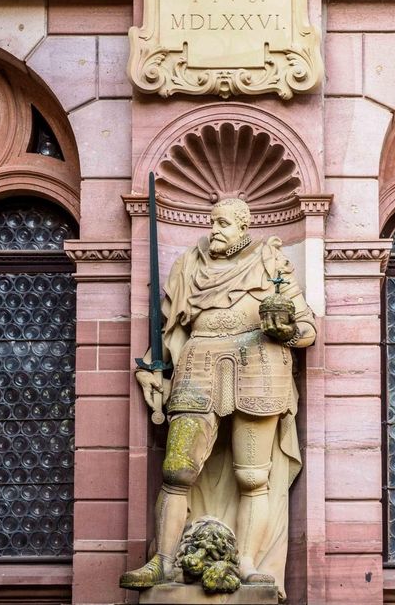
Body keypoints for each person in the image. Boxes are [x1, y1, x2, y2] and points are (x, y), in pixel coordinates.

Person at [119, 197, 316, 596]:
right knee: (176, 470)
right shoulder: (190, 264)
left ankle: (246, 562)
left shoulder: (271, 262)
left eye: (224, 223)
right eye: (212, 222)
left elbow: (307, 329)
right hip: (199, 360)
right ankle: (163, 561)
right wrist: (153, 368)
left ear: (244, 227)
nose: (215, 230)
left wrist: (284, 331)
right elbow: (167, 328)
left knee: (252, 476)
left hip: (259, 361)